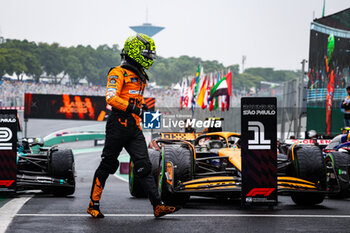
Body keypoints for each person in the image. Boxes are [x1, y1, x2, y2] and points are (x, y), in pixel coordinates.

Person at [87, 34, 179, 218]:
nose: (149, 58)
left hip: (133, 127)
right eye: (146, 54)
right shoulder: (117, 73)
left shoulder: (139, 75)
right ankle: (93, 204)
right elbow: (111, 98)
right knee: (108, 164)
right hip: (117, 125)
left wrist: (142, 106)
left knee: (144, 166)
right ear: (136, 52)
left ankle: (158, 206)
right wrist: (134, 108)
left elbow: (134, 97)